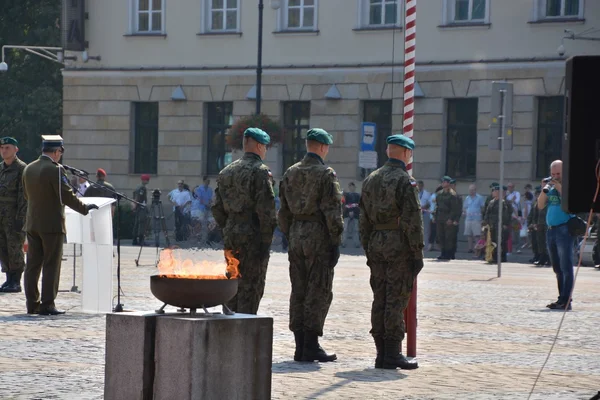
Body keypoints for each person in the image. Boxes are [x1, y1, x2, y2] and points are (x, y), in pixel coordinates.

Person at [278, 128, 343, 363]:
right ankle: (311, 346)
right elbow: (332, 212)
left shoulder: (290, 172)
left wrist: (289, 233)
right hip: (318, 237)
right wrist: (336, 241)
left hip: (296, 234)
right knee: (318, 290)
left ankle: (299, 346)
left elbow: (283, 210)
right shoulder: (326, 174)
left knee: (298, 289)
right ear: (323, 147)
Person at [359, 134, 422, 370]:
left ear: (388, 151)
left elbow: (363, 220)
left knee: (380, 298)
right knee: (396, 299)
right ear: (406, 153)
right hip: (398, 245)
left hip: (376, 242)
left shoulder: (371, 179)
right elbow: (412, 220)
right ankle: (393, 353)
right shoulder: (405, 181)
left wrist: (368, 246)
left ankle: (380, 353)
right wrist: (417, 252)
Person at [22, 135, 98, 315]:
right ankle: (47, 304)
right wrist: (85, 208)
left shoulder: (29, 168)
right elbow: (67, 196)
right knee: (51, 265)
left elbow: (26, 195)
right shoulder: (55, 170)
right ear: (57, 152)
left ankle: (32, 304)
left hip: (32, 223)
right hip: (52, 225)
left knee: (32, 265)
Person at [212, 127, 276, 315]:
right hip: (253, 235)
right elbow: (266, 211)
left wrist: (229, 226)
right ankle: (245, 328)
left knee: (232, 280)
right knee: (251, 285)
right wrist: (266, 241)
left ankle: (228, 325)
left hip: (231, 233)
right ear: (258, 146)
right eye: (264, 146)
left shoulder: (226, 171)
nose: (265, 150)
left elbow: (217, 207)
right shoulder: (260, 172)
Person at [537, 160, 574, 310]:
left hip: (564, 229)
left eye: (558, 174)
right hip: (551, 230)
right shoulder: (550, 187)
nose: (555, 176)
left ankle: (567, 300)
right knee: (557, 268)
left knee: (566, 266)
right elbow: (540, 205)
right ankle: (561, 298)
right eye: (553, 174)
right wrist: (543, 190)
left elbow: (570, 203)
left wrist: (559, 187)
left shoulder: (569, 186)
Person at [0, 137, 27, 293]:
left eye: (7, 147)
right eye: (2, 147)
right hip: (1, 215)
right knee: (3, 247)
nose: (4, 151)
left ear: (15, 149)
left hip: (14, 216)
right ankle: (8, 279)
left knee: (14, 247)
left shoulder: (22, 169)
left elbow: (23, 196)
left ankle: (16, 281)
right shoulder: (1, 168)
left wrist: (21, 218)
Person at [434, 176, 461, 260]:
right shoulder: (439, 194)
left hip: (447, 218)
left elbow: (454, 209)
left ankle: (448, 253)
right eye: (442, 182)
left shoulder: (453, 195)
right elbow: (437, 206)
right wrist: (435, 216)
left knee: (448, 237)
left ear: (448, 183)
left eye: (445, 182)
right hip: (440, 217)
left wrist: (451, 219)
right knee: (440, 235)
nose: (443, 183)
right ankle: (443, 252)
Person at [483, 185, 511, 263]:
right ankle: (492, 256)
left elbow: (505, 214)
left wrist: (504, 224)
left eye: (495, 191)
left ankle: (499, 257)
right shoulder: (491, 202)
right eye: (493, 191)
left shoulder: (502, 202)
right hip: (492, 225)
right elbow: (487, 213)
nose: (493, 192)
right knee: (492, 241)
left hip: (499, 225)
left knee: (499, 242)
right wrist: (485, 222)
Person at [462, 184, 485, 254]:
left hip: (476, 219)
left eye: (472, 190)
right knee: (469, 234)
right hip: (468, 218)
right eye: (470, 190)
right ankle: (470, 248)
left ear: (475, 190)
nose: (471, 191)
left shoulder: (479, 198)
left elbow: (483, 207)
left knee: (477, 235)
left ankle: (477, 249)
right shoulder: (467, 198)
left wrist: (482, 216)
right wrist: (464, 212)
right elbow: (465, 207)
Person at [132, 174, 150, 246]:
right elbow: (138, 198)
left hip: (138, 207)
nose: (148, 181)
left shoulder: (137, 187)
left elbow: (134, 197)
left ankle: (134, 240)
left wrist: (134, 206)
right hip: (141, 207)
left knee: (136, 224)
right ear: (144, 180)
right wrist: (135, 206)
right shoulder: (142, 188)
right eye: (147, 180)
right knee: (141, 224)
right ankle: (141, 240)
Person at [342, 182, 360, 248]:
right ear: (349, 187)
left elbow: (358, 204)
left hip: (355, 214)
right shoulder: (346, 195)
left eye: (353, 186)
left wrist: (353, 211)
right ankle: (343, 243)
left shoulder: (358, 195)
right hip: (346, 214)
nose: (352, 188)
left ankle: (357, 243)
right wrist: (350, 211)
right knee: (345, 229)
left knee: (356, 230)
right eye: (350, 186)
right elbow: (344, 204)